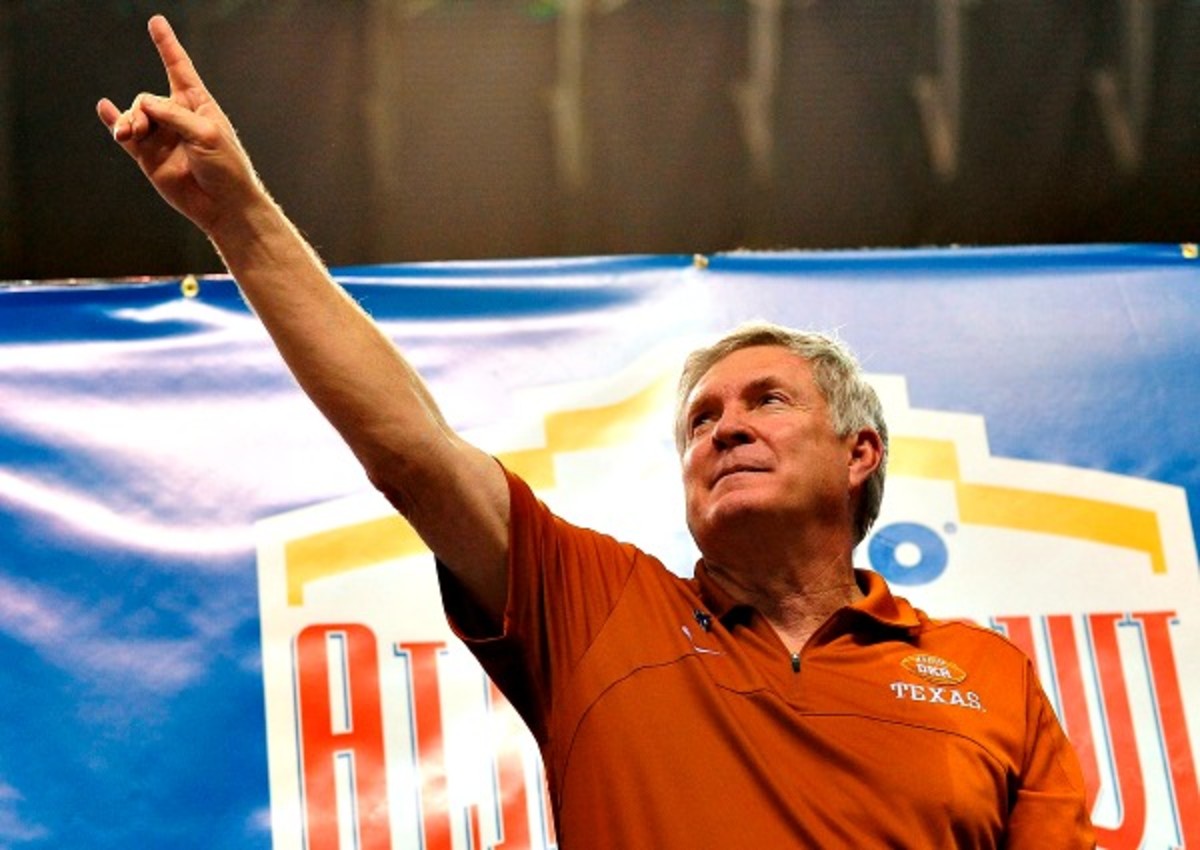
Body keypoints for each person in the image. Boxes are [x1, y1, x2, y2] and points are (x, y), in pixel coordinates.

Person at [99, 16, 1095, 848]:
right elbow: (413, 452)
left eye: (767, 401)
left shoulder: (987, 676)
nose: (724, 429)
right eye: (701, 420)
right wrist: (240, 218)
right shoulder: (599, 608)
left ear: (860, 453)